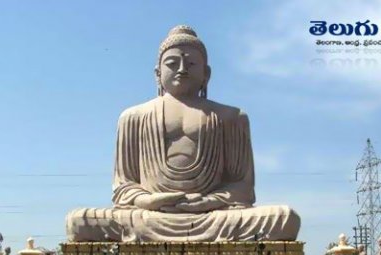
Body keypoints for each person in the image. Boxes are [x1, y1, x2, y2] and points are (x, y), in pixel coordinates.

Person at [66, 25, 300, 242]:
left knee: (284, 218)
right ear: (157, 73)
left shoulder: (231, 117)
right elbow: (124, 186)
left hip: (212, 216)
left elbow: (242, 187)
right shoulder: (133, 117)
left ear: (206, 73)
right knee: (79, 221)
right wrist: (148, 200)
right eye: (172, 63)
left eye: (191, 64)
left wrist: (207, 202)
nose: (181, 69)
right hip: (151, 215)